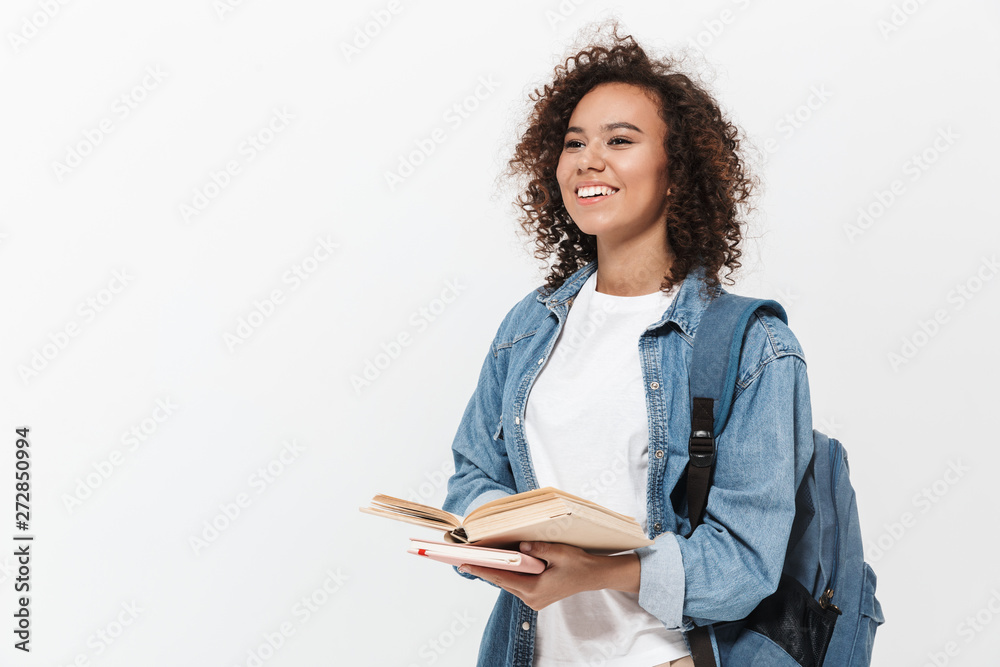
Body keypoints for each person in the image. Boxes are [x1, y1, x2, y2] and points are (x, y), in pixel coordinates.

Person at [442, 22, 814, 667]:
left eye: (621, 140)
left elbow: (747, 563)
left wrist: (596, 569)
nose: (589, 160)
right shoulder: (530, 326)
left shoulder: (755, 347)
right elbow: (474, 475)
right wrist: (494, 535)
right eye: (575, 142)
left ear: (677, 173)